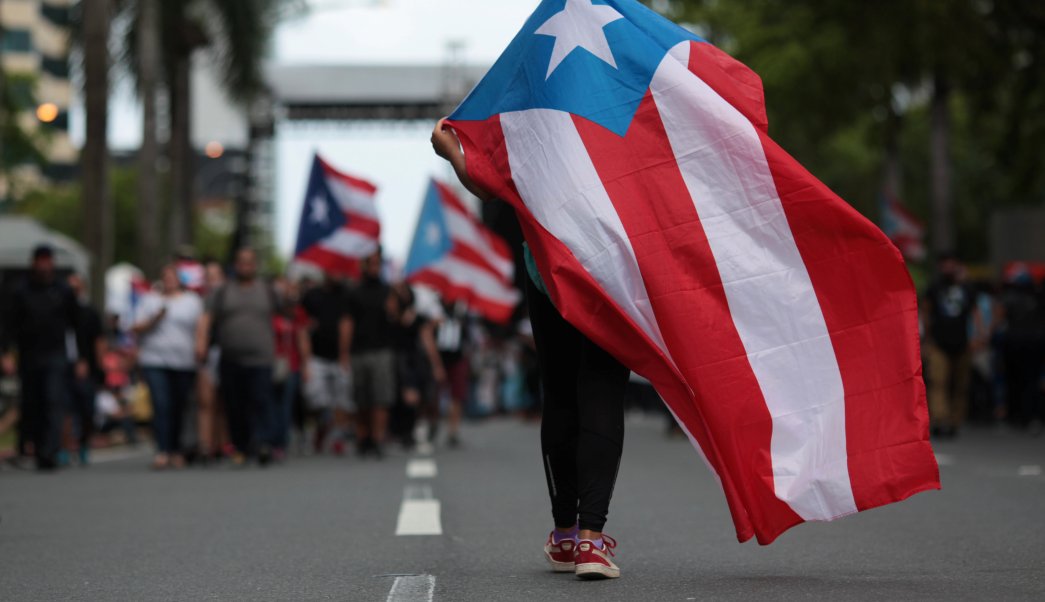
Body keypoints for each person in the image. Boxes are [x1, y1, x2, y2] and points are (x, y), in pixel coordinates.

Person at [432, 119, 629, 579]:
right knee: (600, 391)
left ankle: (565, 535)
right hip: (609, 272)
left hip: (548, 271)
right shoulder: (616, 100)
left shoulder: (533, 119)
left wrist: (451, 153)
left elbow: (492, 188)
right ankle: (591, 543)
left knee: (560, 392)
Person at [0, 244, 84, 471]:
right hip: (29, 355)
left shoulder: (62, 290)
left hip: (56, 354)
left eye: (48, 261)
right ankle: (33, 447)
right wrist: (6, 352)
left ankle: (49, 451)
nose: (45, 266)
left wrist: (81, 358)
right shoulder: (21, 290)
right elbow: (8, 325)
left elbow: (77, 324)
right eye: (41, 261)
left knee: (53, 401)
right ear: (34, 263)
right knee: (32, 403)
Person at [197, 248, 280, 466]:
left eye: (249, 263)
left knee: (261, 401)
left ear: (255, 265)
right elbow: (207, 317)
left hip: (262, 358)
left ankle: (263, 443)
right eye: (241, 262)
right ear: (235, 265)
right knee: (235, 405)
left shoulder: (267, 290)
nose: (246, 267)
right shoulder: (222, 291)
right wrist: (202, 343)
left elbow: (287, 315)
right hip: (231, 357)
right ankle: (241, 447)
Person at [133, 264, 203, 470]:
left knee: (179, 407)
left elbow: (200, 327)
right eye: (166, 276)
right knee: (161, 405)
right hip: (155, 360)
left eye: (173, 277)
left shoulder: (192, 301)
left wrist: (200, 347)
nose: (170, 280)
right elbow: (135, 327)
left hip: (183, 362)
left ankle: (176, 449)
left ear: (179, 280)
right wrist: (155, 318)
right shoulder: (150, 300)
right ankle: (162, 450)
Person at [346, 250, 398, 458]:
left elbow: (396, 321)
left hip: (382, 351)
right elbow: (347, 323)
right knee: (361, 399)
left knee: (381, 398)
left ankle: (377, 439)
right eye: (371, 263)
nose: (374, 267)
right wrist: (344, 353)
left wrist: (393, 309)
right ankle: (363, 438)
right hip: (359, 352)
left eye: (378, 263)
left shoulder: (388, 291)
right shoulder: (354, 292)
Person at [922, 253, 978, 438]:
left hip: (962, 343)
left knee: (960, 384)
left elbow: (975, 313)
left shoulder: (967, 288)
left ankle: (955, 420)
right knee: (938, 381)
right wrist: (927, 338)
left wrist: (978, 336)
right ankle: (940, 419)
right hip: (939, 343)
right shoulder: (934, 287)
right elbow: (926, 312)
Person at [299, 272, 352, 455]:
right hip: (316, 357)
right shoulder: (311, 295)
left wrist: (344, 355)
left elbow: (347, 324)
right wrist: (305, 360)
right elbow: (302, 327)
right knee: (314, 400)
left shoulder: (346, 294)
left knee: (341, 400)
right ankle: (316, 428)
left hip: (339, 358)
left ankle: (337, 437)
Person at [67, 273, 106, 466]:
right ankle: (63, 447)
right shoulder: (60, 311)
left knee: (86, 410)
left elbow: (99, 341)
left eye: (76, 288)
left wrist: (99, 366)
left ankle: (83, 443)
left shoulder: (90, 312)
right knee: (63, 408)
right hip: (63, 366)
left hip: (87, 367)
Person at [195, 259, 227, 463]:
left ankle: (223, 444)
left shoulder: (231, 298)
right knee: (206, 402)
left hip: (228, 352)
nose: (211, 281)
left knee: (224, 403)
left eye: (215, 276)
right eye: (208, 277)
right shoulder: (198, 300)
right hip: (207, 354)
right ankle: (205, 445)